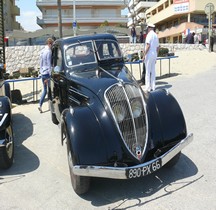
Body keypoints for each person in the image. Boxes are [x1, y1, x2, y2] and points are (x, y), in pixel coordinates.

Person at [141, 23, 159, 92]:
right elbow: (158, 47)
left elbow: (148, 45)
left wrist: (144, 55)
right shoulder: (155, 35)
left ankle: (148, 87)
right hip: (154, 53)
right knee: (153, 71)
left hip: (149, 54)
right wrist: (156, 56)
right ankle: (153, 86)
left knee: (148, 71)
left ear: (149, 28)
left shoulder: (149, 35)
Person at [38, 37, 54, 113]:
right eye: (52, 44)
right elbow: (48, 63)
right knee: (50, 90)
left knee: (44, 90)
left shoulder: (42, 51)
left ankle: (40, 105)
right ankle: (50, 106)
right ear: (49, 43)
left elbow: (41, 62)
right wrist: (51, 74)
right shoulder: (49, 52)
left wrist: (41, 71)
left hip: (43, 73)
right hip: (47, 73)